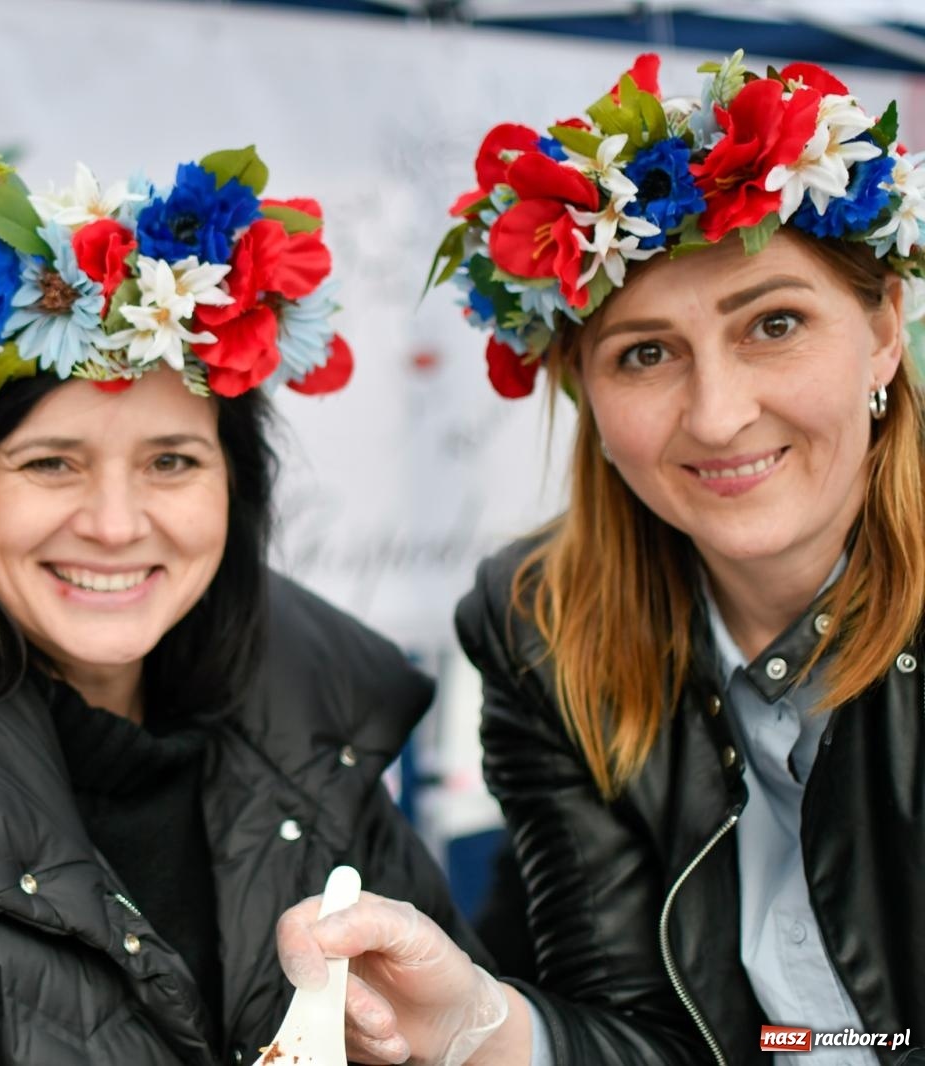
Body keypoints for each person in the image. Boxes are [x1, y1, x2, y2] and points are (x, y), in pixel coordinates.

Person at [0, 147, 486, 1065]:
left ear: (235, 491)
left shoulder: (322, 750)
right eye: (50, 462)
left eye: (171, 461)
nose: (113, 524)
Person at [276, 51, 925, 1065]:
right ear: (583, 388)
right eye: (646, 352)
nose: (716, 415)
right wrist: (477, 1026)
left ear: (883, 328)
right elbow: (639, 1035)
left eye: (775, 323)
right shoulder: (541, 624)